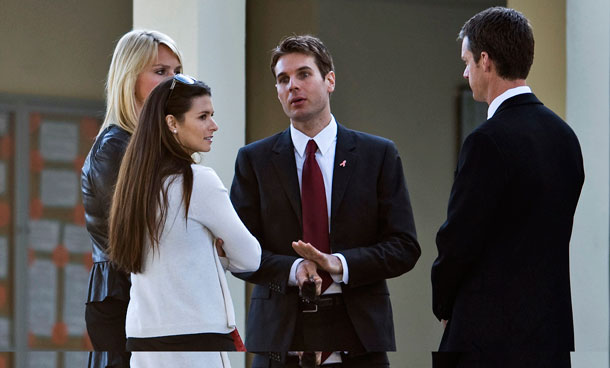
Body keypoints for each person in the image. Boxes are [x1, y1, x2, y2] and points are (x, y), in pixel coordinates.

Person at [230, 34, 420, 367]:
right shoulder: (254, 160)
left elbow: (404, 246)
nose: (292, 86)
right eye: (283, 79)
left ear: (329, 80)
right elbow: (239, 251)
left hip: (358, 339)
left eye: (303, 74)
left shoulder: (377, 155)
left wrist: (340, 264)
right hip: (280, 338)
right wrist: (294, 269)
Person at [431, 7, 584, 368]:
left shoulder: (487, 141)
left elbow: (458, 240)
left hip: (489, 339)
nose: (466, 72)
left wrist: (443, 303)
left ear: (486, 60)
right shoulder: (565, 137)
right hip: (550, 336)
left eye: (467, 61)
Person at [108, 75, 261, 368]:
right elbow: (251, 257)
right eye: (203, 116)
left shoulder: (133, 187)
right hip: (194, 339)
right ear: (172, 123)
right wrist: (218, 254)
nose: (213, 125)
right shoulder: (198, 181)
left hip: (142, 338)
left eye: (212, 116)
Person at [81, 29, 182, 368]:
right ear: (130, 77)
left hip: (150, 300)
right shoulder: (115, 148)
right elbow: (145, 235)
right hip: (124, 302)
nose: (174, 82)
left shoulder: (152, 148)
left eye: (177, 72)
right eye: (160, 71)